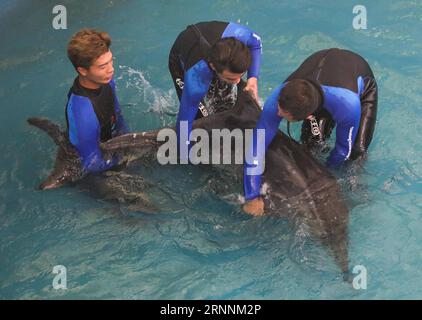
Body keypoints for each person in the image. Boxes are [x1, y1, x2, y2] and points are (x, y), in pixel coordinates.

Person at [243, 48, 378, 216]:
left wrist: (326, 179)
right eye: (279, 108)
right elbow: (257, 147)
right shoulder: (279, 97)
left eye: (283, 115)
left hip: (358, 87)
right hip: (318, 83)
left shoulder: (349, 106)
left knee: (355, 153)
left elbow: (343, 149)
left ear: (307, 116)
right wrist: (252, 196)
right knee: (311, 147)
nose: (276, 114)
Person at [168, 21, 262, 152]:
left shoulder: (239, 37)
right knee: (201, 121)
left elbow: (256, 44)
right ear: (213, 67)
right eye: (231, 78)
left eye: (241, 75)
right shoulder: (195, 82)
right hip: (181, 60)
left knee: (228, 105)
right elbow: (183, 126)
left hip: (213, 47)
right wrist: (189, 154)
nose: (237, 82)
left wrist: (253, 79)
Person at [65, 28, 129, 173]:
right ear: (83, 71)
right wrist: (123, 158)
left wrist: (128, 141)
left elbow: (117, 114)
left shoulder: (105, 80)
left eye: (110, 61)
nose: (111, 69)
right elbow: (91, 164)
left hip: (109, 148)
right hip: (95, 172)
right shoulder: (83, 112)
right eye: (102, 66)